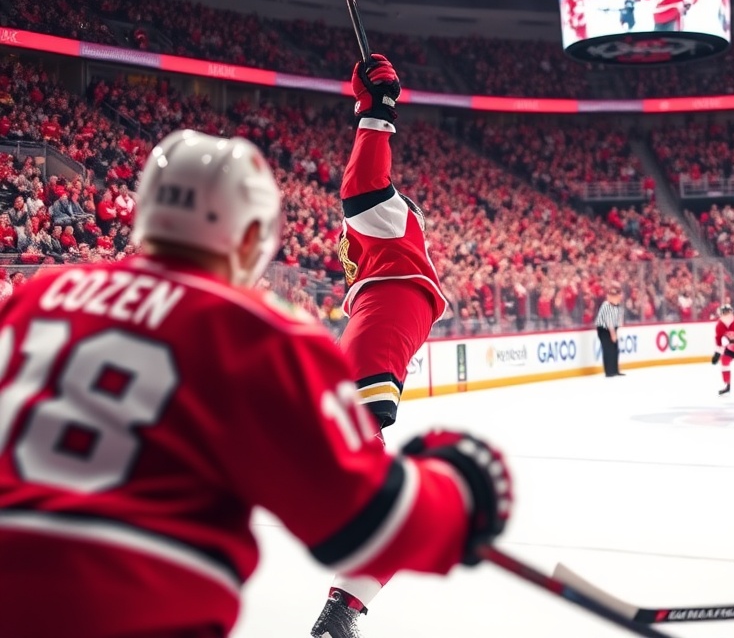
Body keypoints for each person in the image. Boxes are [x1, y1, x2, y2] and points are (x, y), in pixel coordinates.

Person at [0, 130, 513, 638]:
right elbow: (368, 521)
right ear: (249, 238)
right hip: (130, 607)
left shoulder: (34, 298)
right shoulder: (254, 330)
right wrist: (459, 489)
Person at [313, 54, 453, 637]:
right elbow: (363, 185)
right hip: (386, 314)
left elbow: (363, 184)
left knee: (342, 447)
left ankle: (397, 520)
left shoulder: (386, 227)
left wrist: (376, 110)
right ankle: (346, 603)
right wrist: (374, 108)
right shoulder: (386, 239)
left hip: (386, 310)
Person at [595, 282, 625, 377]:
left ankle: (615, 370)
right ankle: (609, 371)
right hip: (604, 329)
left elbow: (619, 321)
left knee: (615, 349)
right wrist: (612, 334)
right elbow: (609, 321)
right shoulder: (606, 305)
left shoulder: (618, 306)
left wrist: (616, 331)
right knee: (607, 349)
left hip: (613, 328)